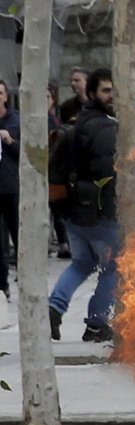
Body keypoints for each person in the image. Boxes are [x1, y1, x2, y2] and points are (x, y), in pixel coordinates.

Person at [48, 68, 121, 343]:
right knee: (116, 266)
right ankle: (96, 323)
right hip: (98, 215)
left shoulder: (79, 121)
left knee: (82, 263)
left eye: (114, 90)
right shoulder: (105, 127)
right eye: (105, 90)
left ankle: (54, 309)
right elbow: (111, 174)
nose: (111, 95)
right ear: (91, 93)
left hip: (73, 211)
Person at [0, 79, 20, 300]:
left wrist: (10, 141)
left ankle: (24, 278)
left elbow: (26, 152)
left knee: (18, 236)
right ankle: (2, 284)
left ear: (6, 96)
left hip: (13, 189)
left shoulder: (15, 121)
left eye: (0, 93)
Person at [48, 79, 71, 259]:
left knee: (58, 211)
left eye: (47, 97)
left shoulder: (56, 119)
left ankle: (64, 242)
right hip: (46, 170)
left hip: (56, 172)